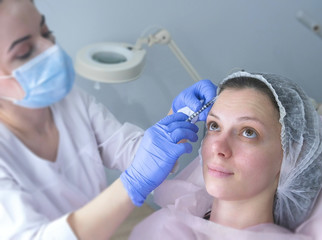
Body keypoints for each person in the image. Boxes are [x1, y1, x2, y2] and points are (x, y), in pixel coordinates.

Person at [0, 0, 217, 239]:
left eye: (45, 32)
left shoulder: (71, 100)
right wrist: (132, 183)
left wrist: (177, 117)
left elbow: (135, 154)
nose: (50, 49)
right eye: (24, 52)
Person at [129, 71, 322, 239]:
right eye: (214, 126)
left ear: (292, 157)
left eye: (248, 132)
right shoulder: (165, 228)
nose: (218, 147)